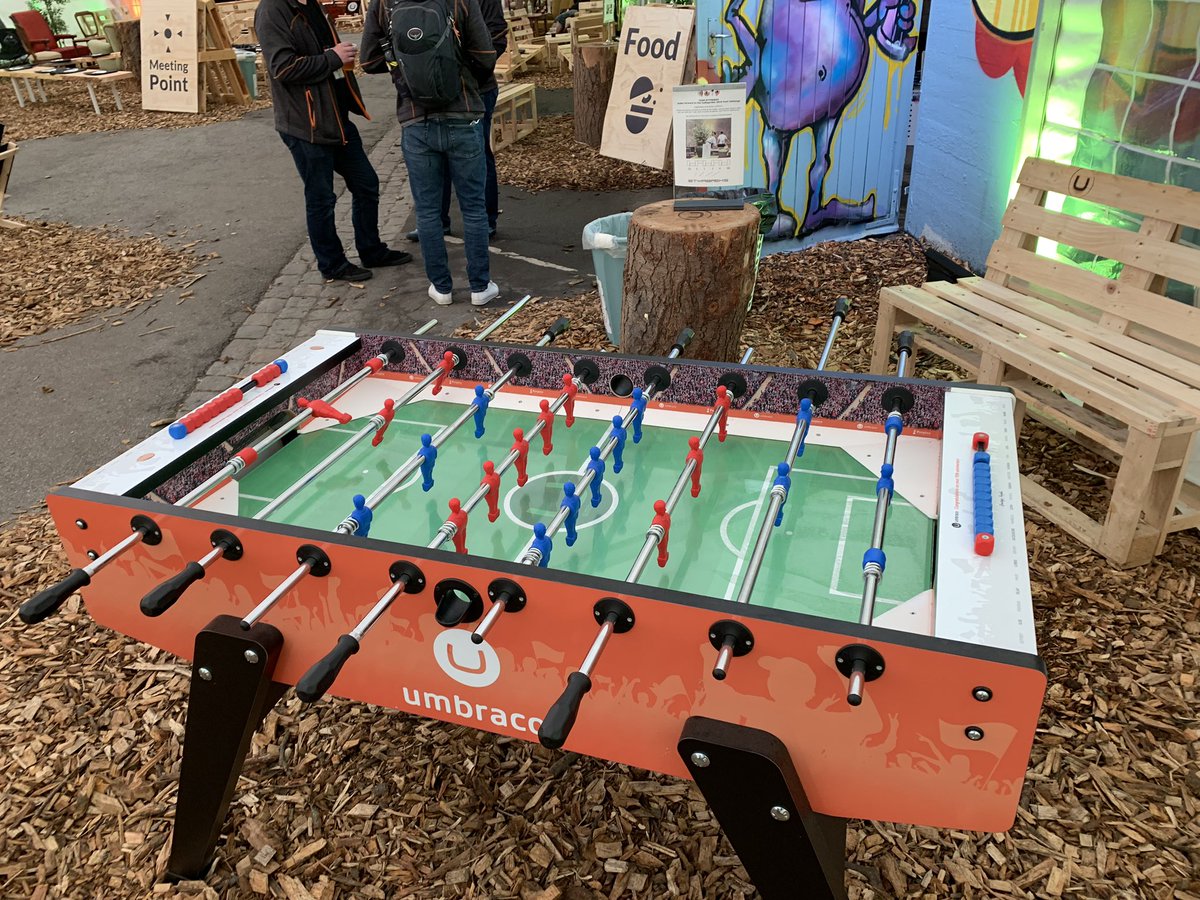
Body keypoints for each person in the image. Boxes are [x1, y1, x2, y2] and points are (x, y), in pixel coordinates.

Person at [256, 0, 412, 281]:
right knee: (321, 199)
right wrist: (333, 58)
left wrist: (339, 59)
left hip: (337, 119)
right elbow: (282, 67)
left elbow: (325, 53)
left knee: (366, 184)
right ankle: (332, 264)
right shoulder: (273, 9)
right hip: (307, 124)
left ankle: (371, 249)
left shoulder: (313, 5)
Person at [362, 0, 499, 308]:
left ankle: (441, 288)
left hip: (415, 118)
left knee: (426, 211)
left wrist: (407, 65)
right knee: (474, 207)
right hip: (463, 114)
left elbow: (369, 61)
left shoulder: (383, 3)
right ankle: (480, 287)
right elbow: (485, 56)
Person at [402, 0, 506, 241]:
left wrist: (460, 73)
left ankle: (486, 220)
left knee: (479, 155)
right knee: (437, 158)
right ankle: (437, 221)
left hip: (474, 91)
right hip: (429, 91)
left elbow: (496, 39)